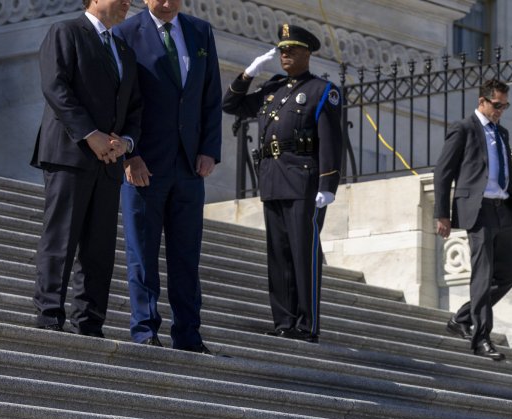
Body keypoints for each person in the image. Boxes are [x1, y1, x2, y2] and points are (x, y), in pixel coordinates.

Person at [221, 23, 342, 343]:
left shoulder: (320, 90)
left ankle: (307, 324)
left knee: (304, 254)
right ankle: (283, 321)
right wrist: (248, 74)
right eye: (282, 51)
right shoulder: (271, 89)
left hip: (304, 181)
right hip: (273, 178)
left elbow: (331, 139)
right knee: (278, 254)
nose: (285, 55)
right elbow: (230, 105)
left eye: (292, 50)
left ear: (307, 54)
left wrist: (328, 185)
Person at [113, 0, 221, 354]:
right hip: (145, 165)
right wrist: (131, 154)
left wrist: (209, 148)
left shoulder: (200, 31)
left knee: (186, 254)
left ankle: (189, 333)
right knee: (142, 252)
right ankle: (145, 328)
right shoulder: (127, 32)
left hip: (190, 166)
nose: (167, 2)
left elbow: (210, 94)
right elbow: (121, 99)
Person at [31, 0, 142, 336]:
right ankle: (50, 314)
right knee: (61, 238)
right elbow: (56, 87)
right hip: (70, 153)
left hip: (109, 162)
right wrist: (91, 136)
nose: (127, 3)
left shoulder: (123, 49)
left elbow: (134, 107)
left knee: (100, 247)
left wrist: (125, 143)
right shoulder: (66, 32)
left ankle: (90, 320)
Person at [433, 79, 512, 361]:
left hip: (502, 209)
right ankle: (480, 337)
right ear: (482, 101)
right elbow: (442, 173)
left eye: (504, 106)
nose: (500, 111)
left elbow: (506, 176)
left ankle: (461, 318)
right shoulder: (463, 129)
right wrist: (442, 214)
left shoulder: (502, 133)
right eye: (497, 105)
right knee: (482, 275)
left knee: (509, 274)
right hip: (478, 210)